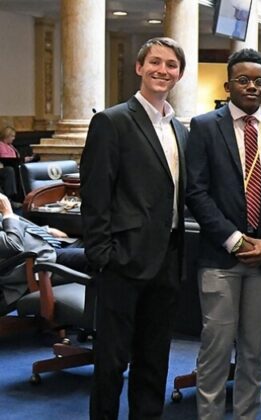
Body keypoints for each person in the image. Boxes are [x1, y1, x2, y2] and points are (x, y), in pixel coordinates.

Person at [185, 48, 261, 420]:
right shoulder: (204, 127)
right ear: (228, 84)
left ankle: (247, 415)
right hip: (221, 257)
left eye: (259, 81)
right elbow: (196, 192)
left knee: (254, 349)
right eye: (244, 80)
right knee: (216, 347)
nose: (252, 86)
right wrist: (233, 238)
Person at [80, 37, 189, 420]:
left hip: (167, 260)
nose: (163, 70)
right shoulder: (111, 121)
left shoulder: (180, 130)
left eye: (171, 65)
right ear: (139, 67)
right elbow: (95, 196)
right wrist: (103, 257)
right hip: (122, 262)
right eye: (155, 62)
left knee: (154, 359)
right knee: (111, 363)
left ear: (179, 74)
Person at [0, 192, 87, 312]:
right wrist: (7, 212)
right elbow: (13, 244)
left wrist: (45, 230)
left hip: (49, 247)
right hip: (38, 264)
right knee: (98, 257)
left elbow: (14, 225)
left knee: (97, 244)